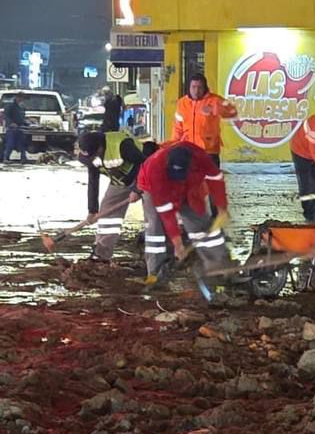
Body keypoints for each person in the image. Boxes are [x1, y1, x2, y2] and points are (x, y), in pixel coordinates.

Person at [137, 142, 232, 286]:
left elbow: (216, 179)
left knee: (202, 225)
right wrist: (178, 244)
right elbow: (167, 214)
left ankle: (219, 266)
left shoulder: (201, 157)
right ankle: (155, 273)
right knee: (155, 229)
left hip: (189, 187)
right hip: (153, 187)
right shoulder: (155, 168)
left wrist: (221, 208)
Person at [78, 130, 157, 262]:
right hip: (120, 180)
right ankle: (101, 253)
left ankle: (156, 257)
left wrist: (137, 190)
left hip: (147, 177)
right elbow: (93, 180)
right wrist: (92, 210)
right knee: (107, 213)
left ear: (100, 147)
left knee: (153, 216)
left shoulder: (122, 145)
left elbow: (145, 165)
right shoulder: (88, 157)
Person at [172, 74, 238, 165]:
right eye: (193, 87)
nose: (196, 91)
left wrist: (214, 109)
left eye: (199, 87)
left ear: (205, 88)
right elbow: (178, 128)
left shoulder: (215, 100)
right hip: (187, 150)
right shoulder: (182, 103)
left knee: (211, 179)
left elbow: (233, 111)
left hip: (209, 151)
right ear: (189, 88)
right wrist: (174, 147)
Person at [2, 93, 28, 164]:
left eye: (23, 98)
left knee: (22, 143)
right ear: (17, 97)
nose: (21, 99)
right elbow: (6, 116)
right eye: (20, 98)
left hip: (20, 128)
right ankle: (6, 158)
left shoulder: (22, 107)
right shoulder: (10, 106)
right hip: (11, 128)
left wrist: (27, 122)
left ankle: (23, 158)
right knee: (10, 144)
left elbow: (22, 118)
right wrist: (11, 123)